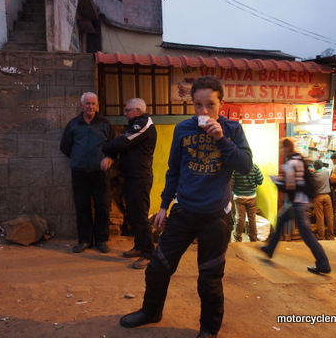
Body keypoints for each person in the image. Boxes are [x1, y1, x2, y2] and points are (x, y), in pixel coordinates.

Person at [119, 76, 252, 338]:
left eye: (210, 105)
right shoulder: (183, 129)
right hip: (184, 212)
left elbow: (245, 166)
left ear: (220, 104)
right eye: (198, 105)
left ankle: (208, 329)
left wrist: (222, 139)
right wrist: (163, 206)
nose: (204, 111)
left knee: (209, 278)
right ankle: (151, 311)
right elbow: (174, 170)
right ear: (191, 104)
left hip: (216, 217)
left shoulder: (233, 129)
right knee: (158, 267)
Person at [260, 138, 331, 275]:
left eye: (281, 148)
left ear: (286, 148)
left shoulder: (290, 163)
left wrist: (277, 182)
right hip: (301, 201)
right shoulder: (298, 159)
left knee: (307, 235)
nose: (280, 151)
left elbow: (290, 187)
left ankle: (323, 263)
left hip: (298, 202)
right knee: (280, 220)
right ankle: (270, 249)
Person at [103, 98, 157, 270]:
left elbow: (123, 142)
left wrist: (106, 148)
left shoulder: (144, 124)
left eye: (127, 110)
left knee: (140, 216)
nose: (125, 113)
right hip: (131, 177)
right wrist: (111, 152)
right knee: (133, 215)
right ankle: (139, 246)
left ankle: (149, 253)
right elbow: (122, 145)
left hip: (140, 177)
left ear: (138, 111)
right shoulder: (135, 123)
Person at [60, 92, 114, 254]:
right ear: (81, 105)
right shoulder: (73, 124)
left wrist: (109, 157)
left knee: (102, 206)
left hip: (100, 173)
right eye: (87, 104)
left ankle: (101, 240)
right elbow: (65, 146)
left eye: (93, 104)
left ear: (97, 105)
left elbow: (113, 145)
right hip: (80, 172)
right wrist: (78, 158)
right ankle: (84, 240)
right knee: (82, 206)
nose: (90, 106)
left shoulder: (104, 124)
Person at [232, 163, 264, 242]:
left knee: (240, 217)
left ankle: (238, 238)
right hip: (251, 197)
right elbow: (260, 181)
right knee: (252, 218)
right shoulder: (254, 167)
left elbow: (231, 183)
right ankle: (253, 238)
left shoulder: (235, 168)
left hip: (239, 197)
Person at [312, 160, 335, 240]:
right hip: (327, 196)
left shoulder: (313, 175)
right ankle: (330, 235)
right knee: (329, 216)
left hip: (318, 197)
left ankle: (321, 235)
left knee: (320, 217)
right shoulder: (326, 172)